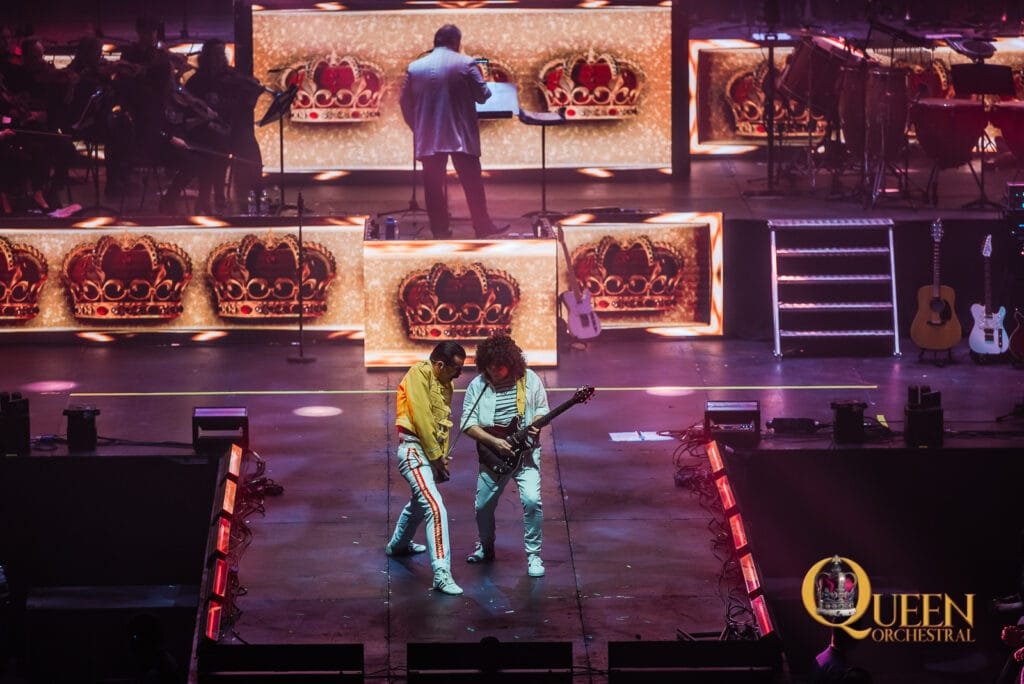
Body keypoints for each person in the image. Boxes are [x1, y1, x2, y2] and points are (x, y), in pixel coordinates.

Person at [399, 24, 507, 240]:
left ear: (435, 41)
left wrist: (417, 127)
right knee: (472, 183)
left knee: (433, 187)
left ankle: (439, 231)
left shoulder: (414, 67)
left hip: (429, 137)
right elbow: (483, 95)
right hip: (461, 136)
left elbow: (404, 102)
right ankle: (482, 226)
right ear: (457, 42)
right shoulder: (467, 63)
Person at [461, 334, 549, 578]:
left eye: (498, 366)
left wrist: (534, 423)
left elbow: (542, 408)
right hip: (494, 455)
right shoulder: (478, 386)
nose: (493, 370)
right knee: (482, 507)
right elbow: (467, 424)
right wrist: (495, 443)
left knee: (532, 501)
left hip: (527, 454)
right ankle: (486, 547)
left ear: (511, 362)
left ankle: (534, 556)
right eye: (488, 365)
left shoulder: (529, 380)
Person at [386, 341, 467, 596]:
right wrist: (435, 458)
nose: (459, 374)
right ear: (440, 364)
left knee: (419, 503)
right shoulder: (417, 374)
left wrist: (440, 459)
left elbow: (440, 425)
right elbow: (421, 419)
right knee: (434, 506)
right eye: (456, 368)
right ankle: (441, 573)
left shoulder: (447, 384)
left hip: (428, 453)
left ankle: (398, 545)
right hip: (412, 451)